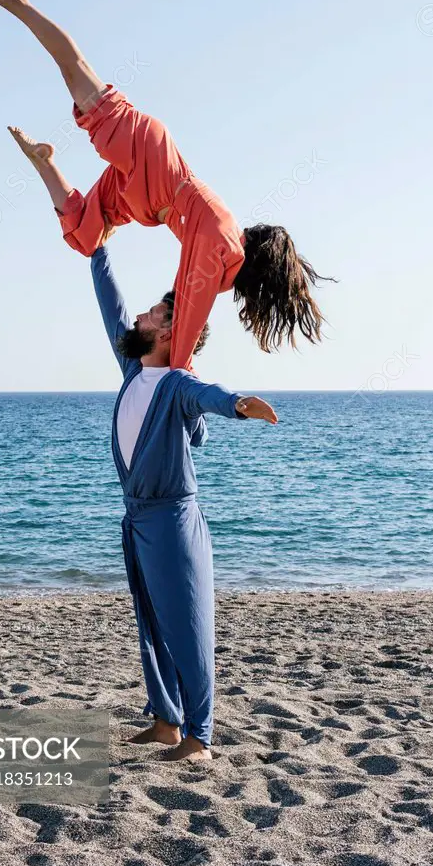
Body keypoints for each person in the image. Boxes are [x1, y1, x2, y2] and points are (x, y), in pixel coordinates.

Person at [0, 0, 331, 373]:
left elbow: (184, 309)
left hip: (148, 201)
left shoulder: (224, 268)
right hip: (155, 162)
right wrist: (180, 373)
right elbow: (191, 318)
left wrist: (181, 367)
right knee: (76, 76)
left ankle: (44, 162)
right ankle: (20, 4)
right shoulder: (226, 244)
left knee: (86, 236)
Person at [71, 234, 278, 762]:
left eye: (152, 313)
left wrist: (237, 404)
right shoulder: (135, 372)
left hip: (173, 518)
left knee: (188, 624)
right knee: (151, 620)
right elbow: (110, 305)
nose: (139, 316)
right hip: (137, 518)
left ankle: (199, 736)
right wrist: (98, 251)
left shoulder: (178, 383)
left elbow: (208, 397)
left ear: (168, 331)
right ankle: (167, 720)